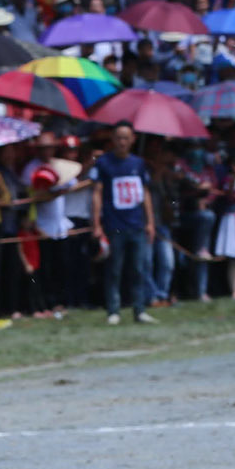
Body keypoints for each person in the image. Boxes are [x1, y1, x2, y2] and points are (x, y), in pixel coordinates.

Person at [92, 123, 157, 325]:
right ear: (113, 139)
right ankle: (114, 310)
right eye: (118, 138)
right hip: (114, 225)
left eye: (126, 138)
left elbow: (145, 193)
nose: (122, 142)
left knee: (139, 268)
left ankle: (140, 309)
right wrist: (96, 223)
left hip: (136, 224)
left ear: (132, 139)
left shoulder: (138, 163)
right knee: (114, 269)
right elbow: (97, 193)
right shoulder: (104, 163)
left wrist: (150, 222)